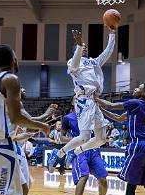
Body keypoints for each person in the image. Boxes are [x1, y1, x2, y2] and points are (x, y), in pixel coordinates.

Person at [0, 44, 50, 195]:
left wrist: (39, 123)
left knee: (22, 189)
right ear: (13, 59)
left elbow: (17, 114)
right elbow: (16, 118)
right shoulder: (11, 79)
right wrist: (41, 126)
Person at [48, 26, 116, 173]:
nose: (84, 47)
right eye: (81, 46)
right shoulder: (72, 62)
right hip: (83, 100)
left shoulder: (93, 62)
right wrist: (79, 45)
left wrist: (112, 34)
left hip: (94, 100)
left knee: (102, 138)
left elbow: (107, 52)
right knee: (85, 136)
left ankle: (76, 151)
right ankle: (59, 153)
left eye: (85, 46)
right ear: (76, 50)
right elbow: (74, 65)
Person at [96, 83, 145, 195]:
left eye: (138, 88)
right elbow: (119, 118)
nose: (135, 89)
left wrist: (94, 98)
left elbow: (112, 105)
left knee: (131, 183)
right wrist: (102, 110)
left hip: (138, 144)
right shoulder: (142, 106)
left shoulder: (135, 102)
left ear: (144, 94)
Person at [60, 105, 108, 195]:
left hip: (94, 148)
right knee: (84, 176)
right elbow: (62, 138)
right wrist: (76, 140)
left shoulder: (92, 114)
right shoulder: (68, 118)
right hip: (79, 150)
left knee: (103, 179)